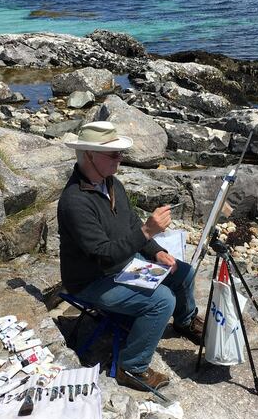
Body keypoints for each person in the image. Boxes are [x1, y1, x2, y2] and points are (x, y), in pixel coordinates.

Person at [58, 121, 204, 391]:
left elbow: (130, 225)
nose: (120, 159)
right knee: (162, 300)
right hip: (92, 280)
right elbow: (103, 256)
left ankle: (185, 322)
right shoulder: (75, 201)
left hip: (120, 266)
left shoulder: (111, 184)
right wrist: (148, 232)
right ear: (89, 155)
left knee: (183, 272)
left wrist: (157, 251)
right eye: (114, 154)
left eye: (120, 153)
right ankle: (132, 367)